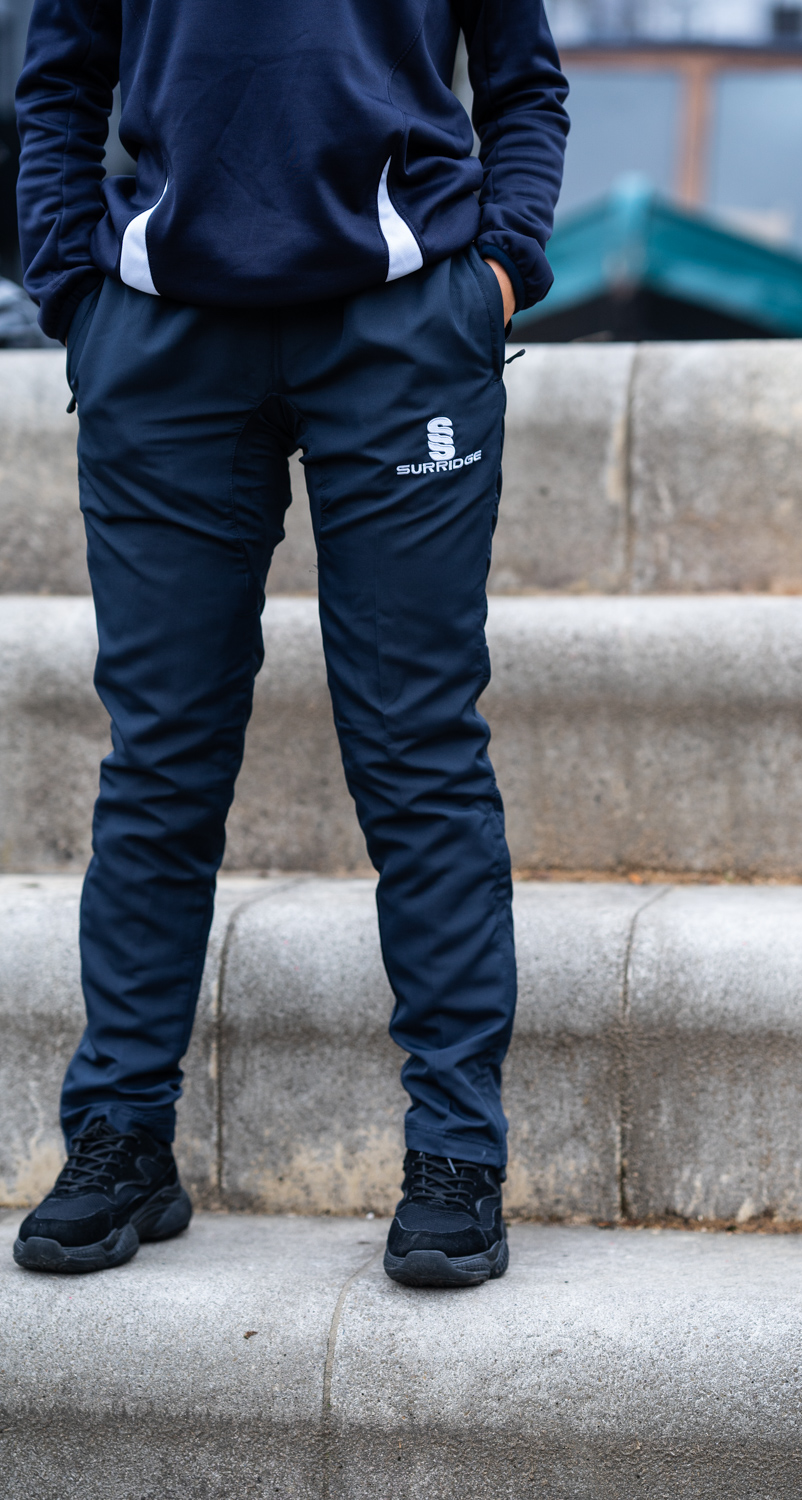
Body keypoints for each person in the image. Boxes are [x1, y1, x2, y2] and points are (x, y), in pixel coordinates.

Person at [12, 0, 567, 1287]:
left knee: (417, 749)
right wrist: (71, 290)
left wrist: (498, 273)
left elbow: (524, 82)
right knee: (160, 757)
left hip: (403, 336)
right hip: (162, 346)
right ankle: (120, 1136)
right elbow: (59, 82)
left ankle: (454, 1154)